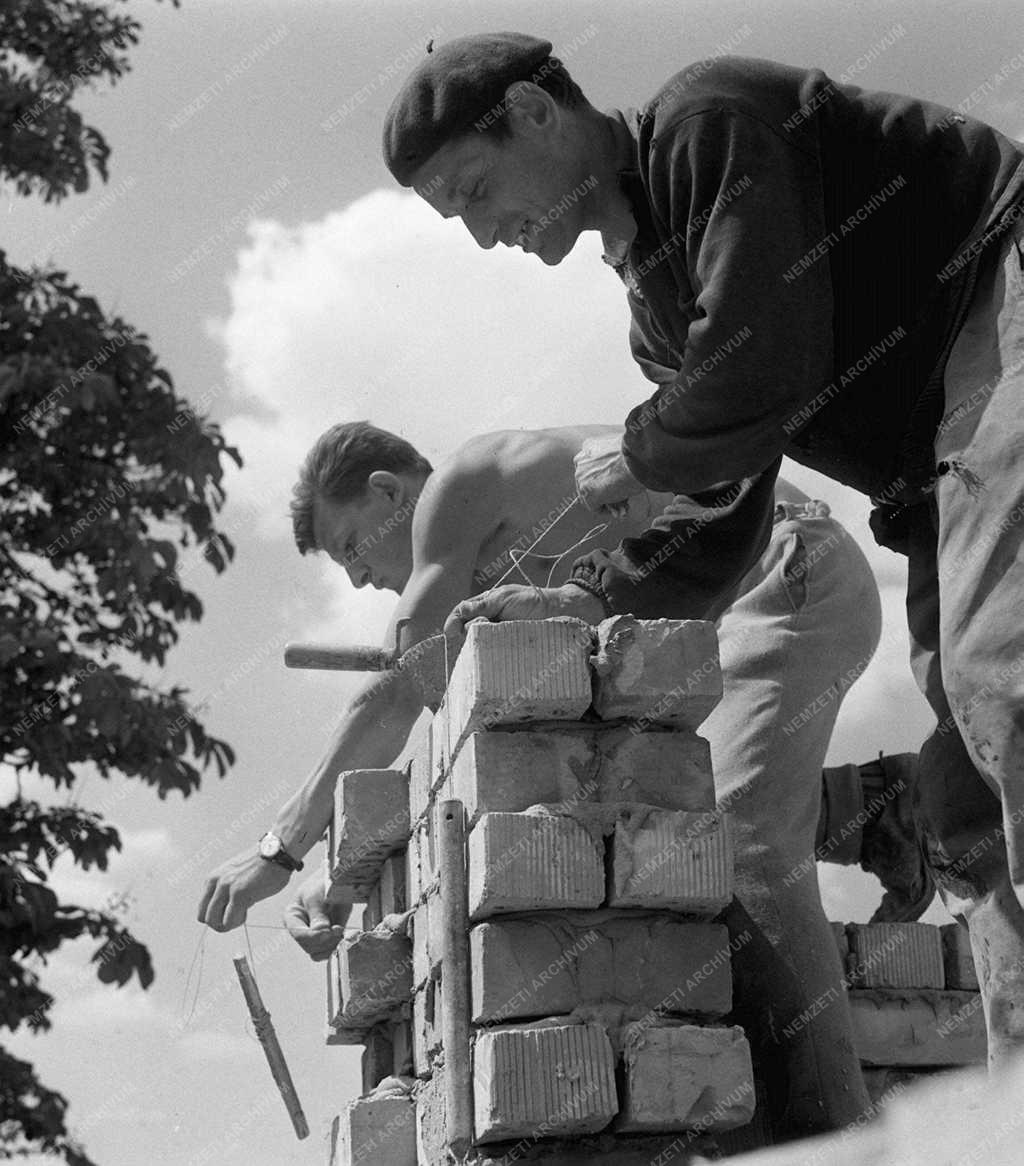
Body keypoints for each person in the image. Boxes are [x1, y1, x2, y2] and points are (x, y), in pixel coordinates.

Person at [381, 34, 1024, 1079]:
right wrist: (588, 607)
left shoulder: (705, 121)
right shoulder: (655, 318)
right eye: (459, 218)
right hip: (930, 473)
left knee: (1006, 679)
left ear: (538, 113)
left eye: (476, 188)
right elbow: (724, 513)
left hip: (1003, 298)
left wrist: (639, 451)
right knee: (960, 797)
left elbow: (760, 356)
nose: (486, 232)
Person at [198, 417, 892, 1137]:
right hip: (728, 601)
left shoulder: (455, 493)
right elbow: (459, 750)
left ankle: (833, 1139)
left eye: (352, 547)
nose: (360, 578)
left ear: (387, 491)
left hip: (784, 568)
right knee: (664, 814)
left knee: (740, 845)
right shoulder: (501, 555)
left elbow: (398, 688)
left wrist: (279, 852)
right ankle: (884, 811)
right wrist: (346, 876)